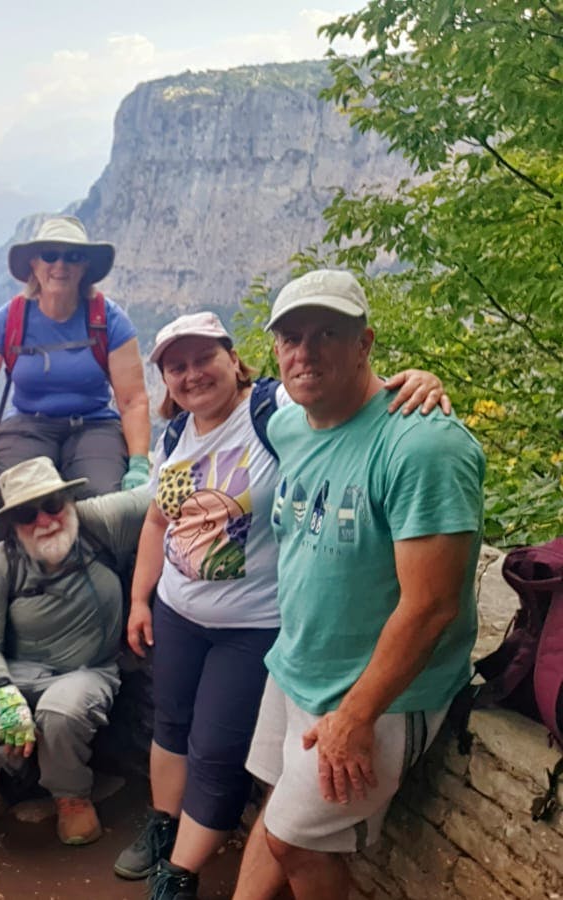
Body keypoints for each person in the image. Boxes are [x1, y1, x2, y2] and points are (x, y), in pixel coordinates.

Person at [113, 312, 450, 899]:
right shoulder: (173, 436)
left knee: (217, 749)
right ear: (165, 380)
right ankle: (163, 828)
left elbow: (347, 398)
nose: (193, 375)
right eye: (176, 367)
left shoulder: (276, 416)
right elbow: (155, 520)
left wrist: (419, 379)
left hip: (252, 624)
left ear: (233, 358)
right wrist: (140, 597)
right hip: (179, 607)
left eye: (204, 359)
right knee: (170, 728)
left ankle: (180, 874)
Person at [229, 270, 484, 900]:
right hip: (297, 667)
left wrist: (356, 714)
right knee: (277, 818)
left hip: (375, 692)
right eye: (290, 336)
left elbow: (432, 606)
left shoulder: (422, 445)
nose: (305, 351)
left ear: (365, 343)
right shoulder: (291, 424)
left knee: (293, 840)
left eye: (328, 334)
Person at [0, 457, 147, 846]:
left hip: (87, 670)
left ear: (69, 501)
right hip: (18, 670)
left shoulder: (99, 524)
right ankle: (8, 779)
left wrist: (141, 466)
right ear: (12, 524)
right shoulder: (0, 562)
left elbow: (161, 498)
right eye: (27, 514)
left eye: (52, 505)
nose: (45, 520)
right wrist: (3, 691)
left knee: (60, 711)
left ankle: (71, 795)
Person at [0, 215, 150, 493]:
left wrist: (139, 463)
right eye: (50, 255)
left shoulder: (108, 319)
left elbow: (132, 400)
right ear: (34, 264)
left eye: (73, 256)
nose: (60, 265)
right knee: (24, 497)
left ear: (84, 267)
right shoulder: (11, 318)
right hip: (26, 426)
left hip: (94, 426)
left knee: (100, 498)